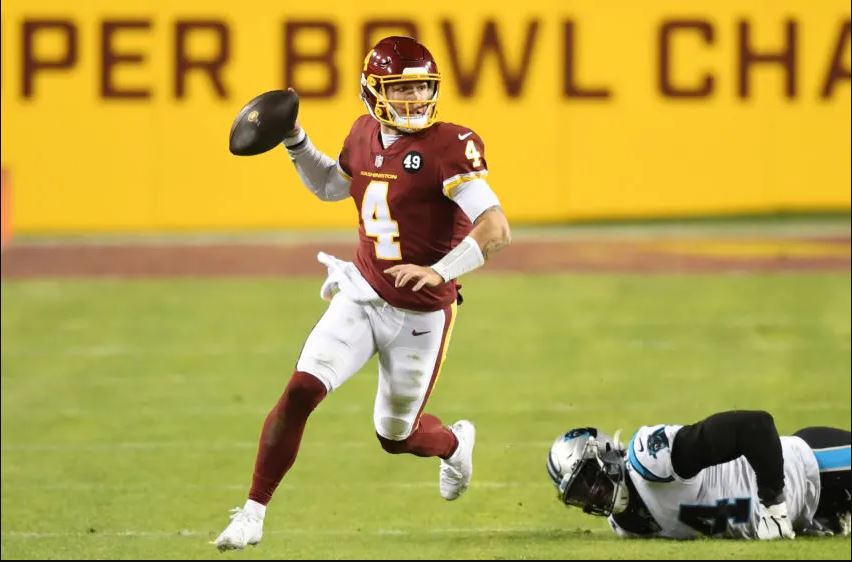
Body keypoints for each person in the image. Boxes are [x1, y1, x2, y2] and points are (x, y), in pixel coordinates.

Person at [213, 36, 511, 551]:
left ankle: (455, 444)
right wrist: (295, 140)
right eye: (402, 88)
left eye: (422, 87)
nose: (415, 98)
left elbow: (496, 228)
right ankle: (253, 512)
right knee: (301, 390)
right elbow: (333, 186)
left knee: (396, 436)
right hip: (363, 292)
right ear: (374, 92)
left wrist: (439, 271)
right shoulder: (362, 133)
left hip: (421, 315)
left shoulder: (450, 145)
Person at [546, 410, 851, 539]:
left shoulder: (649, 460)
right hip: (814, 516)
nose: (592, 495)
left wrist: (773, 504)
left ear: (606, 453)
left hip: (812, 467)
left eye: (589, 479)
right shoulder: (629, 525)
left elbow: (756, 425)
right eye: (578, 495)